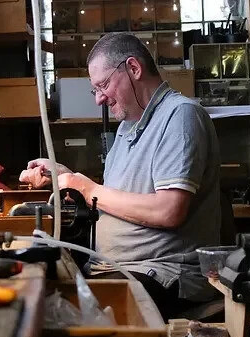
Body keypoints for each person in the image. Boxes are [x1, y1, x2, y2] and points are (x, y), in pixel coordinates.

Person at [20, 33, 222, 320]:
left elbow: (169, 211)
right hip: (114, 267)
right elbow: (117, 199)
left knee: (52, 315)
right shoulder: (129, 126)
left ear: (133, 68)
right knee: (35, 288)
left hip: (162, 273)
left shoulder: (180, 116)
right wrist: (67, 177)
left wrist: (86, 188)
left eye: (103, 85)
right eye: (95, 90)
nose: (99, 99)